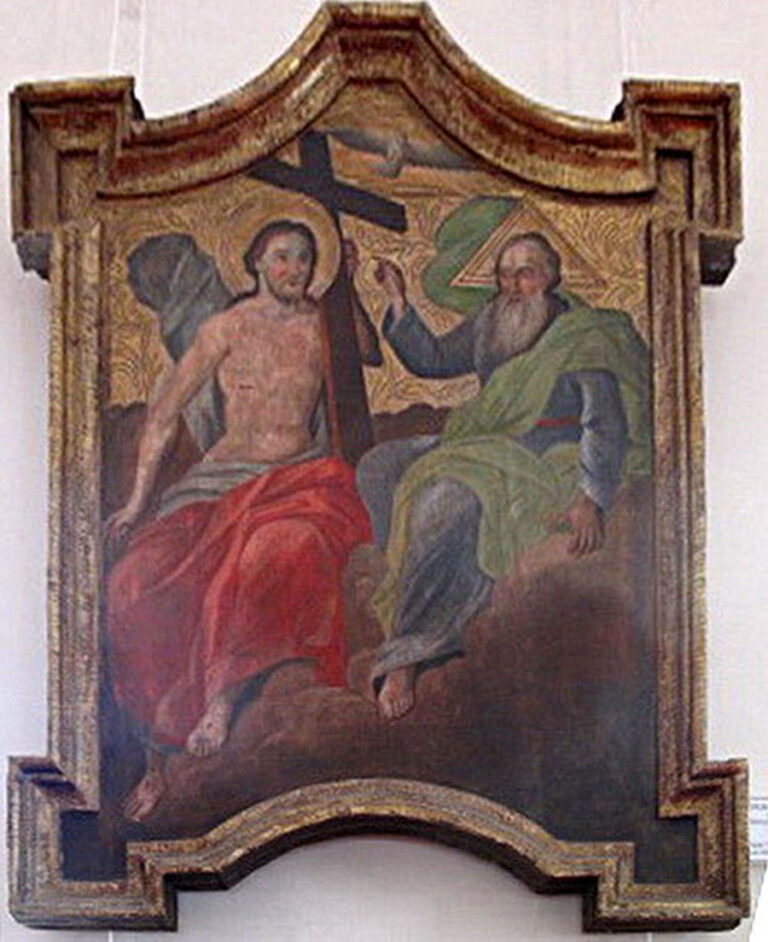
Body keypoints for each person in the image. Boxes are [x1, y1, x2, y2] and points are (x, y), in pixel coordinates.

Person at [106, 219, 373, 820]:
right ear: (254, 262)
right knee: (132, 581)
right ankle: (153, 756)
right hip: (219, 481)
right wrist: (137, 501)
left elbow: (366, 353)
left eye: (304, 258)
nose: (294, 269)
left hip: (299, 479)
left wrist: (349, 287)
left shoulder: (325, 324)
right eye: (282, 257)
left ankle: (222, 701)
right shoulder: (224, 327)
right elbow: (163, 414)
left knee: (262, 556)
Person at [357, 232, 651, 720]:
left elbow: (604, 423)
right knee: (380, 466)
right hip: (486, 441)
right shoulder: (492, 319)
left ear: (550, 277)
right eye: (504, 274)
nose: (513, 285)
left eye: (525, 273)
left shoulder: (581, 336)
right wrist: (397, 299)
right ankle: (409, 579)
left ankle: (408, 652)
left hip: (546, 456)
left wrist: (591, 496)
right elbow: (434, 359)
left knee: (445, 498)